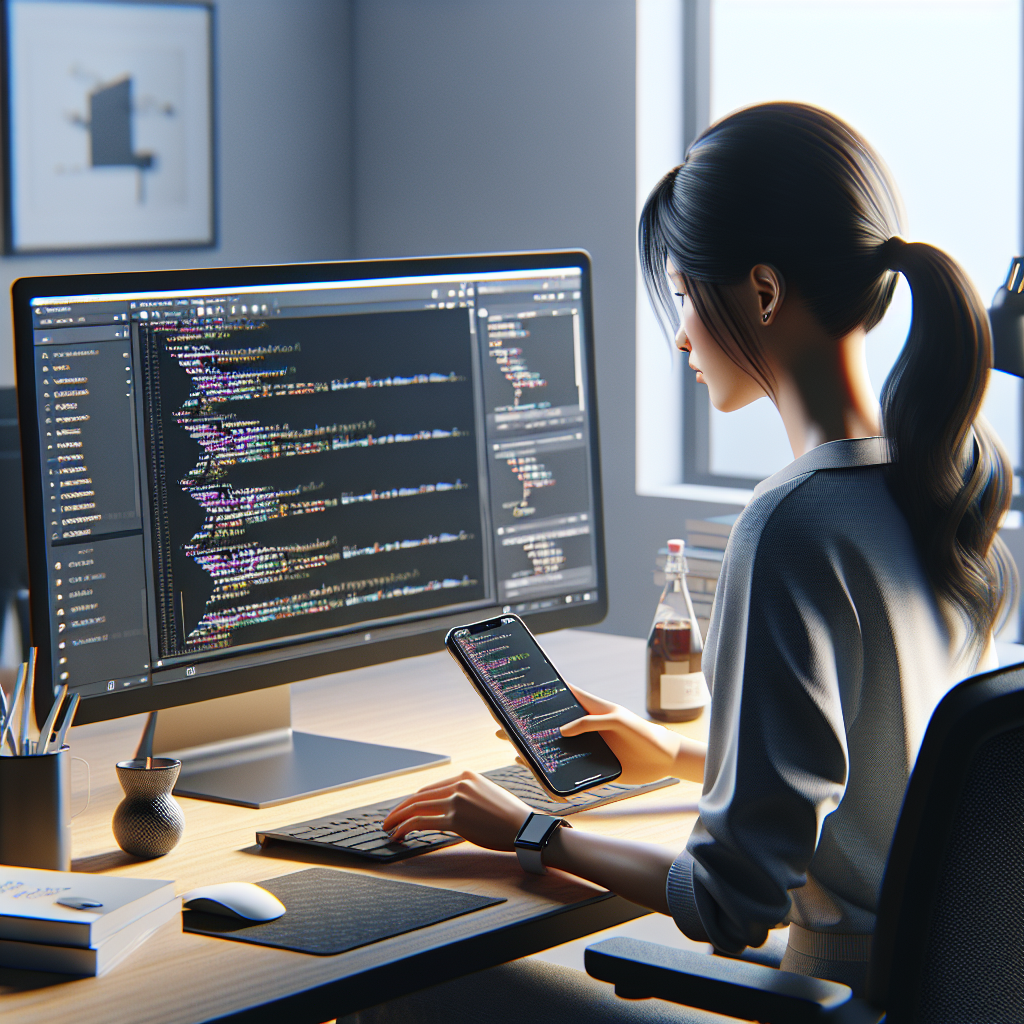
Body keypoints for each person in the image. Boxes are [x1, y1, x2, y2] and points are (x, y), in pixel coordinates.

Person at [371, 101, 1017, 1014]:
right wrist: (676, 754)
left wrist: (530, 830)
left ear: (760, 292)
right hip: (927, 999)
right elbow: (886, 774)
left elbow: (727, 901)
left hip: (838, 998)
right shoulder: (946, 483)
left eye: (682, 294)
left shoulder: (792, 522)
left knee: (414, 993)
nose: (679, 334)